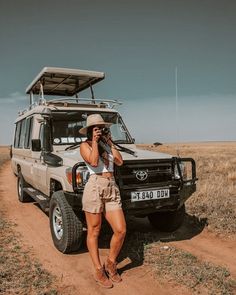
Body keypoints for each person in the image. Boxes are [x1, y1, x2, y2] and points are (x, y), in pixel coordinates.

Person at [79, 114, 126, 288]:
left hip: (111, 186)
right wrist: (95, 141)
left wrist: (109, 144)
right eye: (96, 129)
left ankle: (111, 264)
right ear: (91, 131)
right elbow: (92, 160)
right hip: (95, 186)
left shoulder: (107, 145)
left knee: (120, 230)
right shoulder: (85, 145)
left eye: (102, 128)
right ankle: (99, 270)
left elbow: (120, 162)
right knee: (94, 231)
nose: (100, 131)